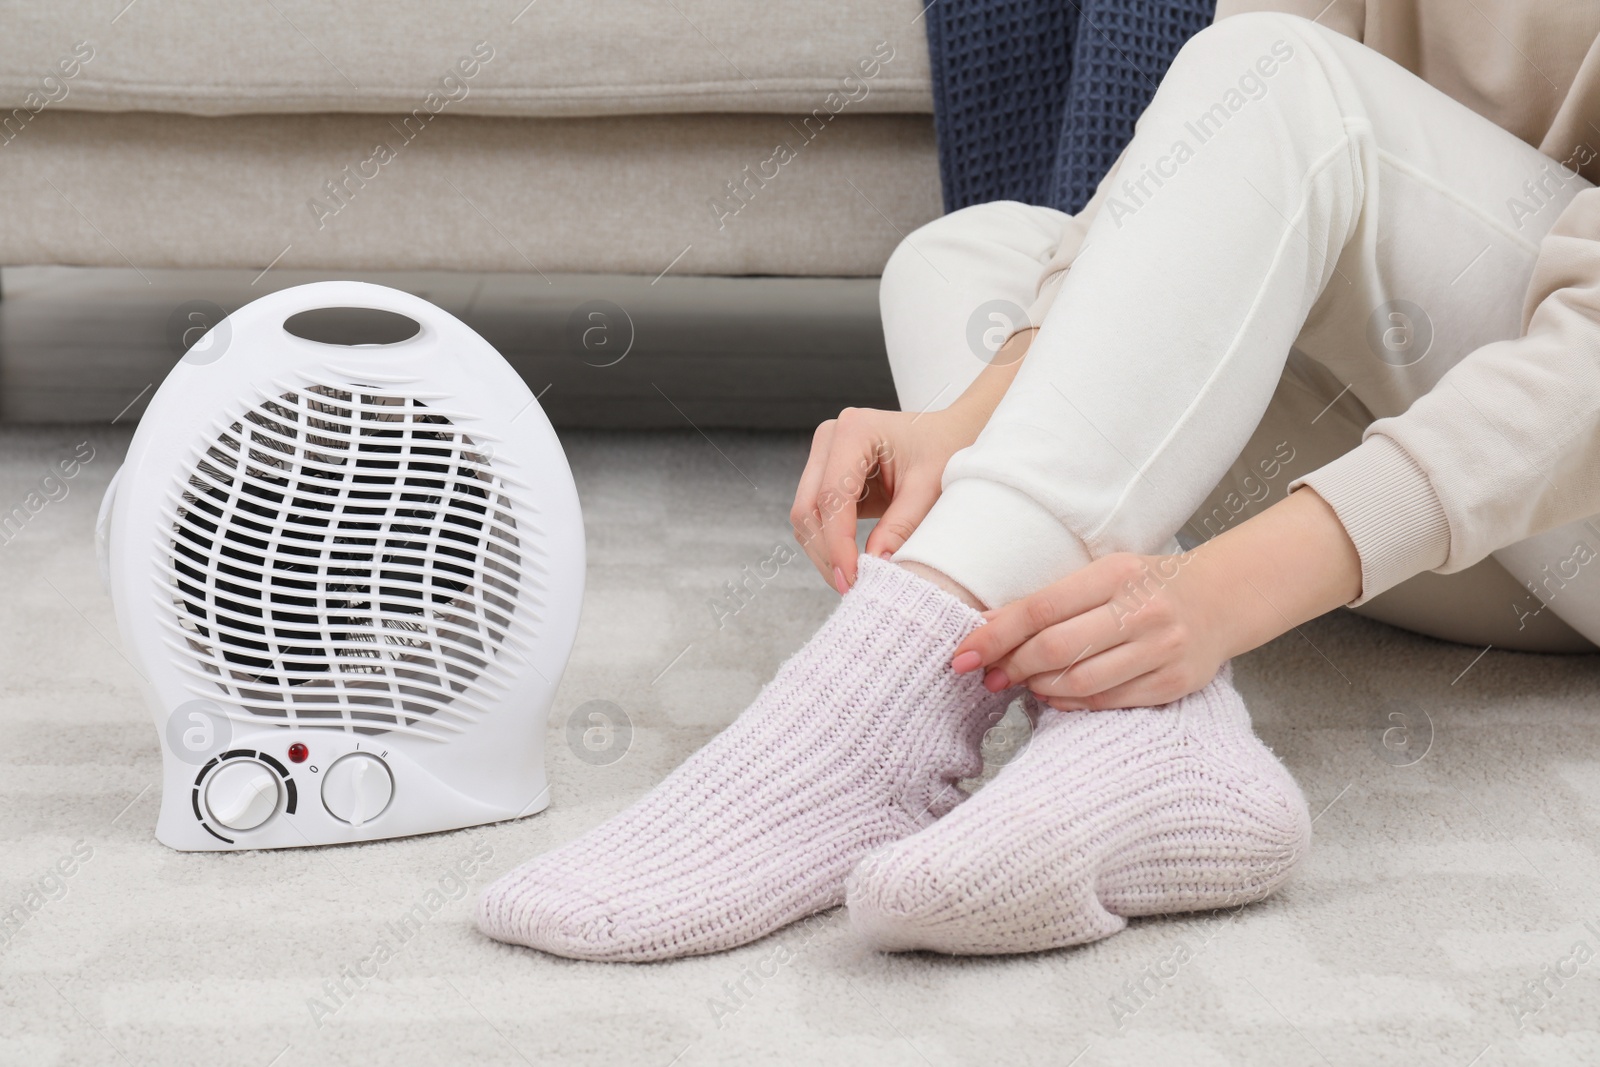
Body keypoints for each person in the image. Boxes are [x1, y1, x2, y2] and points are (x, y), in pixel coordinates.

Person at [478, 0, 1600, 961]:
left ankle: (871, 720)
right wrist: (966, 425)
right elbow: (1221, 153)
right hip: (1471, 493)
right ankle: (1152, 741)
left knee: (1280, 76)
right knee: (968, 259)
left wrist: (1220, 596)